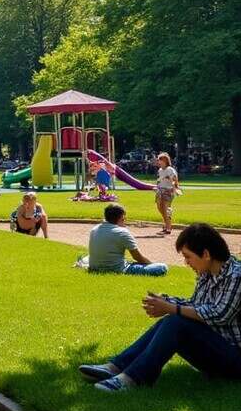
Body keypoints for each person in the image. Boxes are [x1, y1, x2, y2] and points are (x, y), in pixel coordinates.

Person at [78, 223, 241, 391]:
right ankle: (116, 367)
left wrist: (172, 308)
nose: (186, 262)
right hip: (216, 347)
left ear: (205, 254)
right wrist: (167, 302)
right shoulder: (206, 273)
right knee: (172, 320)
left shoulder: (236, 276)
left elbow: (219, 314)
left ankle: (132, 379)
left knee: (175, 321)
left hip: (235, 359)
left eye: (188, 257)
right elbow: (197, 305)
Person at [88, 205, 167, 276]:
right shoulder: (122, 232)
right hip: (117, 269)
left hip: (94, 267)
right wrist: (151, 264)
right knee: (162, 267)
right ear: (121, 218)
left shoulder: (94, 229)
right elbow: (138, 257)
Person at [155, 152, 179, 235]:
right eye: (159, 160)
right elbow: (159, 180)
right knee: (159, 207)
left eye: (160, 160)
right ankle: (166, 224)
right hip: (160, 190)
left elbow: (175, 179)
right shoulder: (160, 170)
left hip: (168, 190)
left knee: (165, 208)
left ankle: (168, 227)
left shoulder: (170, 169)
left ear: (165, 161)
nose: (158, 161)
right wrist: (157, 186)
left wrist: (174, 187)